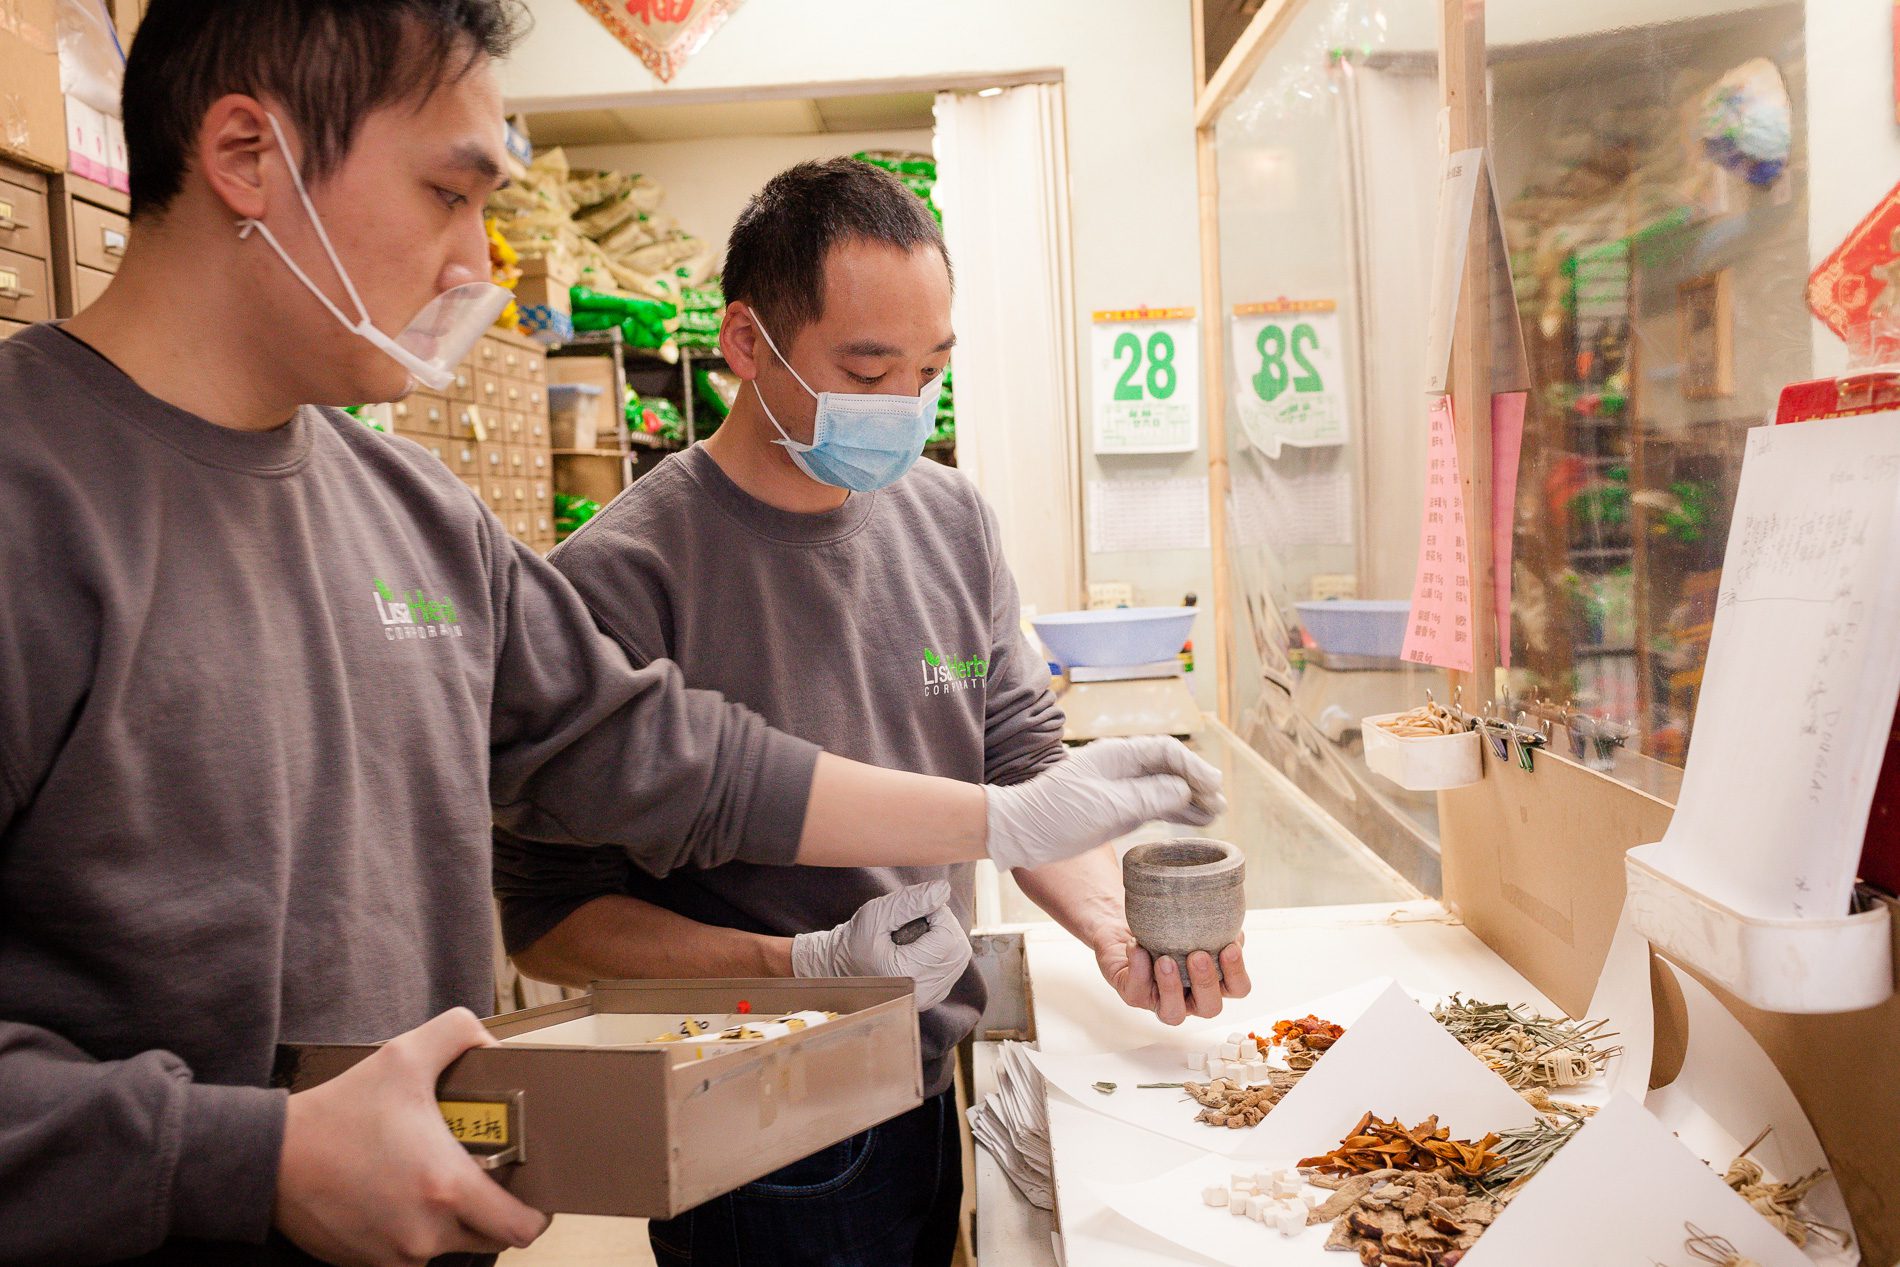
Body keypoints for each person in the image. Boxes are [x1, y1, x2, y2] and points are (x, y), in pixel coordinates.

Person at [0, 3, 1225, 1264]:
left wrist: (1000, 820)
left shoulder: (418, 517)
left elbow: (664, 755)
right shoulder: (33, 499)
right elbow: (556, 897)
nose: (478, 264)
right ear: (247, 156)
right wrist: (255, 1158)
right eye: (447, 193)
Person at [493, 160, 1252, 1267]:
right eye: (866, 369)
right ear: (746, 342)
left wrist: (1113, 925)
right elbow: (549, 916)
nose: (904, 404)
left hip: (928, 1073)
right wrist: (797, 967)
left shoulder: (949, 517)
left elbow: (1020, 769)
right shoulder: (622, 577)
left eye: (931, 368)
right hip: (758, 1106)